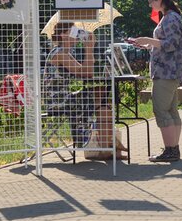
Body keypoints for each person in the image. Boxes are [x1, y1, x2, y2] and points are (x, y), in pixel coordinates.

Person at [46, 22, 127, 160]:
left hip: (65, 97)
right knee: (100, 97)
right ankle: (108, 146)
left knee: (101, 96)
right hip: (58, 101)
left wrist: (89, 50)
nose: (77, 35)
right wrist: (89, 49)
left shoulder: (65, 52)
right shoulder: (59, 53)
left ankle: (108, 146)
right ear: (63, 35)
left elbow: (85, 72)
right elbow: (86, 73)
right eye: (73, 32)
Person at [128, 0, 182, 163]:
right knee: (171, 110)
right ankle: (174, 149)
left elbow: (171, 43)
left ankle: (171, 150)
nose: (150, 5)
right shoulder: (171, 17)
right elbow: (167, 43)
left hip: (167, 70)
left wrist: (149, 40)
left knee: (161, 110)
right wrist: (148, 45)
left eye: (151, 1)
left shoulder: (170, 18)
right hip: (170, 69)